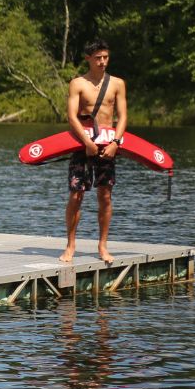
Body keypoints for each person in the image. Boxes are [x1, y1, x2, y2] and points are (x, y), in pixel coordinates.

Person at [60, 39, 128, 264]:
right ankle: (70, 246)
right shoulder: (77, 83)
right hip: (82, 144)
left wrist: (116, 142)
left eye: (105, 57)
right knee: (76, 194)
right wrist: (87, 142)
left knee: (105, 196)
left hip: (108, 144)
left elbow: (122, 115)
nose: (102, 62)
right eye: (98, 58)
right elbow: (71, 116)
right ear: (88, 58)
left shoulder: (117, 83)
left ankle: (103, 246)